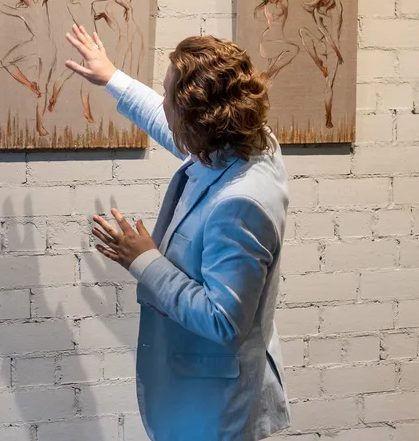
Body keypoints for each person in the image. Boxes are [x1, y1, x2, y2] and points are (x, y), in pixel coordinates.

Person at [64, 25, 291, 440]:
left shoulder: (241, 202)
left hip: (216, 407)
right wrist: (111, 77)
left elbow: (224, 320)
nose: (163, 101)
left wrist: (144, 260)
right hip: (200, 391)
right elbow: (174, 127)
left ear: (199, 119)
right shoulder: (245, 141)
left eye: (168, 95)